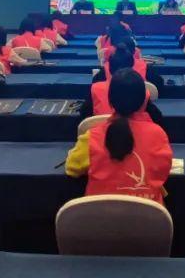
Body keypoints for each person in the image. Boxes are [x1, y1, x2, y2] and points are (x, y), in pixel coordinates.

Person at [66, 69, 172, 203]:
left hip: (98, 214)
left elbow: (72, 169)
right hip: (148, 214)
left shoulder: (92, 137)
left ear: (110, 101)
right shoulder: (158, 135)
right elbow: (164, 171)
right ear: (144, 101)